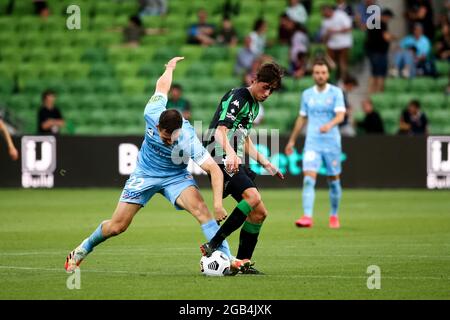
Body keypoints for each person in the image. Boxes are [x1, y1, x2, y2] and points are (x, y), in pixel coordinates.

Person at [65, 57, 250, 275]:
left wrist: (218, 204)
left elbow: (214, 169)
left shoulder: (187, 138)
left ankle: (227, 259)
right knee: (118, 226)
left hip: (175, 177)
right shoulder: (151, 112)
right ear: (158, 125)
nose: (169, 141)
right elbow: (162, 87)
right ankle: (81, 250)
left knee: (202, 210)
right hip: (145, 174)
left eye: (173, 137)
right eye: (165, 137)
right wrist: (170, 68)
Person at [200, 62, 285, 274]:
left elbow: (244, 139)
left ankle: (243, 263)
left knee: (259, 213)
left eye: (271, 90)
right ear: (254, 80)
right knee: (253, 198)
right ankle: (214, 243)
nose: (267, 93)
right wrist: (229, 153)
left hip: (233, 157)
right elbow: (220, 132)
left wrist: (266, 163)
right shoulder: (238, 98)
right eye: (265, 86)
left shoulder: (255, 105)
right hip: (218, 155)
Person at [285, 59, 346, 229]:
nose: (320, 76)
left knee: (333, 179)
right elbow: (302, 118)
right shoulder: (307, 94)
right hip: (312, 142)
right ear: (313, 74)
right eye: (317, 73)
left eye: (323, 73)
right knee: (308, 179)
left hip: (332, 142)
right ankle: (307, 216)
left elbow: (341, 116)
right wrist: (292, 140)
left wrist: (329, 124)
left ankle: (334, 215)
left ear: (328, 74)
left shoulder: (336, 93)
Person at [320, 5, 353, 81]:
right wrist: (327, 34)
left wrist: (334, 31)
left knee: (343, 62)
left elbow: (349, 28)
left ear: (329, 10)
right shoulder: (324, 21)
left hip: (344, 43)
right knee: (330, 63)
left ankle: (343, 80)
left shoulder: (341, 15)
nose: (324, 14)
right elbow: (324, 39)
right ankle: (331, 79)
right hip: (332, 44)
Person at [366, 8, 395, 93]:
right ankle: (377, 92)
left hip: (372, 51)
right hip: (379, 52)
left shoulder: (373, 22)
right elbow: (386, 37)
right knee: (380, 74)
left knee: (374, 73)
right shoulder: (382, 24)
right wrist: (395, 38)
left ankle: (371, 92)